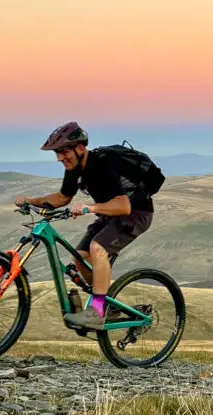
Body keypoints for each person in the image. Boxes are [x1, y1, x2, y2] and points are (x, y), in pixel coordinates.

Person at [13, 122, 154, 330]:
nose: (60, 158)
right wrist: (31, 201)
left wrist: (89, 207)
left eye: (63, 152)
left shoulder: (104, 164)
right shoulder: (74, 168)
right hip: (109, 215)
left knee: (98, 248)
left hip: (136, 214)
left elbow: (124, 206)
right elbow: (62, 198)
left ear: (80, 148)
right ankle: (106, 305)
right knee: (80, 259)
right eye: (57, 154)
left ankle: (96, 312)